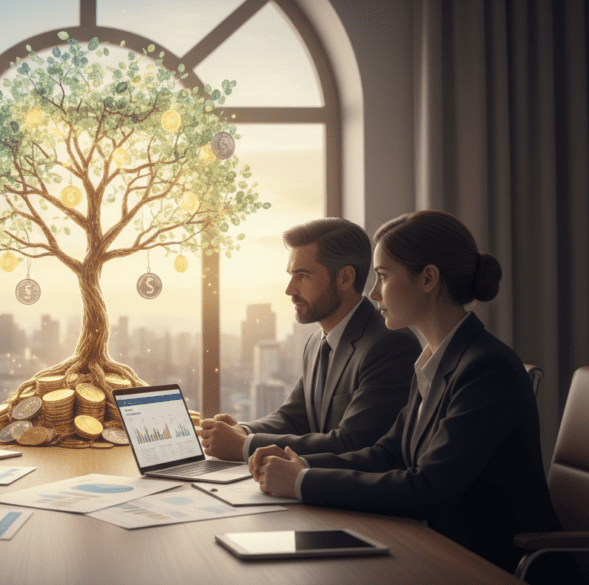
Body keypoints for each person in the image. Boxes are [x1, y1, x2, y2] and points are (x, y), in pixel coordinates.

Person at [251, 210, 571, 580]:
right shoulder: (435, 360)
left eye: (383, 277)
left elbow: (428, 487)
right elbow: (389, 453)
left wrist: (302, 484)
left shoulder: (487, 369)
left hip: (493, 564)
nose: (372, 293)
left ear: (428, 278)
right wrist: (302, 466)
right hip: (440, 549)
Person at [201, 218, 420, 462]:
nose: (290, 289)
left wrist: (244, 445)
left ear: (345, 278)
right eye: (291, 275)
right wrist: (243, 431)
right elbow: (293, 417)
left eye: (303, 276)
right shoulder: (317, 342)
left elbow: (352, 443)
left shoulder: (390, 345)